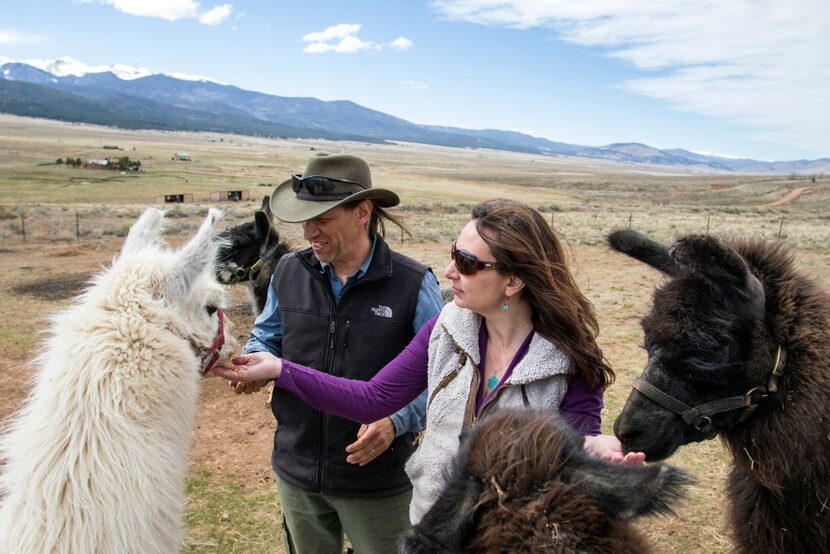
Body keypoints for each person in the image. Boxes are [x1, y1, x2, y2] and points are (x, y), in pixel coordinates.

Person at [214, 199, 645, 527]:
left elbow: (573, 450)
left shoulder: (571, 362)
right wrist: (278, 369)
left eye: (468, 263)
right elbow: (374, 399)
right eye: (454, 252)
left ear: (513, 281)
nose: (449, 271)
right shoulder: (448, 326)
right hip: (430, 529)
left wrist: (596, 457)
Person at [233, 153, 443, 554]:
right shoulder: (289, 272)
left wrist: (397, 420)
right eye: (304, 220)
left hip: (378, 481)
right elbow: (266, 335)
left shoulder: (414, 285)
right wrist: (255, 360)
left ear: (362, 212)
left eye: (323, 219)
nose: (310, 231)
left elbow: (443, 376)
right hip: (296, 471)